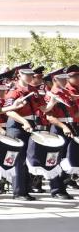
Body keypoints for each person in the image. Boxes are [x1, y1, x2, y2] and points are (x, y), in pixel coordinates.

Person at [4, 68, 57, 200]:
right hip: (17, 125)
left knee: (26, 159)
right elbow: (9, 111)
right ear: (19, 75)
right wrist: (23, 122)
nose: (29, 77)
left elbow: (43, 108)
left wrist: (53, 101)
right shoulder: (14, 90)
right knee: (19, 160)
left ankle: (25, 190)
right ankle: (18, 192)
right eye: (26, 74)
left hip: (29, 125)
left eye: (31, 75)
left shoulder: (32, 91)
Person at [43, 70, 75, 199]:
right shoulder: (50, 94)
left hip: (69, 127)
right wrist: (63, 127)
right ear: (55, 80)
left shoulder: (65, 93)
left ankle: (62, 187)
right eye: (62, 79)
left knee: (66, 160)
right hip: (58, 128)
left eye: (65, 78)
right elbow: (49, 116)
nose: (65, 81)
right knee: (55, 160)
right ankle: (56, 189)